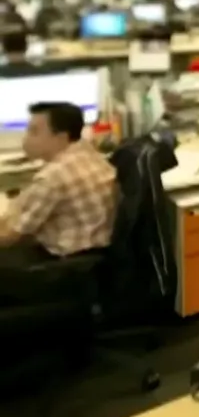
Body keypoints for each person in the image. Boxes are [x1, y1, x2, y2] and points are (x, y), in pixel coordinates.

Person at [0, 103, 117, 289]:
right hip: (94, 256)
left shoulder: (53, 177)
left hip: (65, 266)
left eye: (34, 132)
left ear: (61, 137)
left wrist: (9, 216)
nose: (26, 139)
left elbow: (10, 237)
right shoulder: (89, 153)